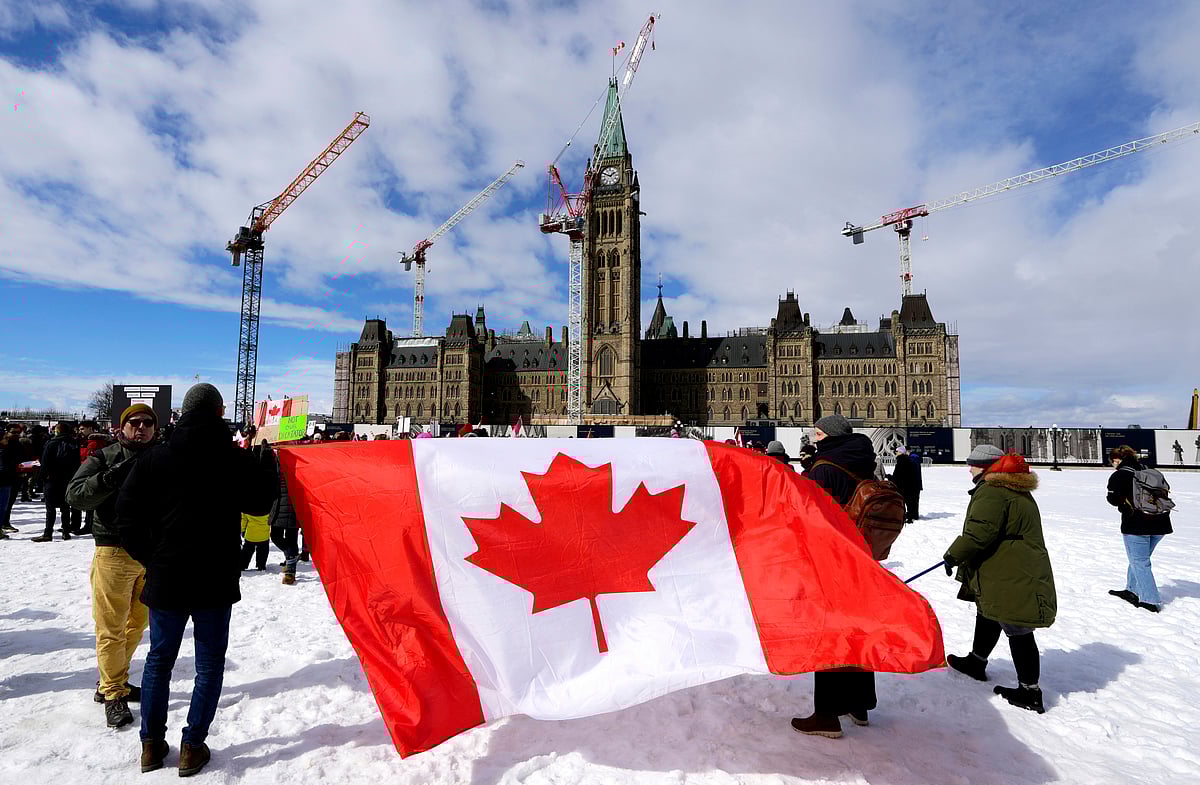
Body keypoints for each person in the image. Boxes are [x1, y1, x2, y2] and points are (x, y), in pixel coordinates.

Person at [116, 384, 277, 775]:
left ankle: (151, 745)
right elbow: (260, 503)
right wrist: (262, 461)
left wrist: (152, 558)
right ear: (220, 411)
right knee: (208, 665)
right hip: (214, 579)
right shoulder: (233, 459)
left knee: (159, 661)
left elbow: (125, 518)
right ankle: (192, 746)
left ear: (183, 412)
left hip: (167, 576)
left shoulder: (155, 458)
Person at [66, 403, 159, 728]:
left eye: (148, 422)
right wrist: (108, 479)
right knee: (110, 628)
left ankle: (111, 680)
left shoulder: (161, 457)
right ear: (122, 427)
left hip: (149, 556)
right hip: (113, 551)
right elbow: (74, 496)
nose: (142, 427)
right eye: (135, 422)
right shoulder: (104, 457)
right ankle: (113, 694)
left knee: (138, 623)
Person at [944, 445, 1056, 714]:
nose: (968, 468)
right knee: (988, 612)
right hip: (1006, 564)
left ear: (985, 466)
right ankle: (976, 661)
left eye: (972, 464)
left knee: (1017, 627)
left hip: (1011, 569)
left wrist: (952, 555)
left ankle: (1030, 692)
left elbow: (979, 534)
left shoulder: (993, 491)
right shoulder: (1008, 486)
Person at [791, 414, 879, 738]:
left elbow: (810, 515)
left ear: (827, 435)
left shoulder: (824, 466)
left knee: (828, 632)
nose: (814, 436)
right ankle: (860, 704)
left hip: (832, 558)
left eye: (817, 432)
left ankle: (826, 714)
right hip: (860, 557)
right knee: (856, 629)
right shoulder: (863, 459)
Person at [1105, 445, 1172, 613]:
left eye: (1112, 462)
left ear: (1116, 460)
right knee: (1138, 559)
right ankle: (1131, 590)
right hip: (1161, 522)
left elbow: (1113, 499)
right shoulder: (1149, 470)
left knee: (1140, 561)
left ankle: (1149, 600)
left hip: (1136, 525)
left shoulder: (1119, 475)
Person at [33, 422, 81, 542]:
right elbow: (77, 463)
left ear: (57, 431)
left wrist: (42, 478)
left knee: (50, 508)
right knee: (65, 506)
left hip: (52, 479)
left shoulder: (51, 443)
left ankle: (48, 533)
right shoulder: (74, 443)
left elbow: (45, 463)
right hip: (67, 478)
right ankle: (66, 531)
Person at [269, 455, 301, 585]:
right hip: (278, 503)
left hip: (294, 502)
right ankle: (291, 556)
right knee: (275, 536)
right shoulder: (275, 459)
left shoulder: (298, 458)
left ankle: (290, 572)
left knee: (291, 538)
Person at [890, 446, 921, 523]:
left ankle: (904, 517)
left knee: (902, 502)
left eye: (897, 451)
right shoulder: (910, 461)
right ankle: (910, 517)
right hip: (910, 486)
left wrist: (891, 478)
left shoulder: (901, 461)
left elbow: (898, 475)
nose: (896, 453)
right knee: (909, 503)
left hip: (902, 486)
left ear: (900, 452)